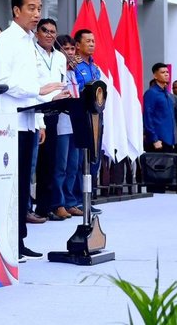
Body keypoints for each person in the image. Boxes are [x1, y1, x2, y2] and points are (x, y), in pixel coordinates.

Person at [0, 0, 66, 262]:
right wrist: (39, 89)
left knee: (23, 183)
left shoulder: (29, 42)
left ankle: (19, 239)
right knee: (10, 184)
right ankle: (9, 242)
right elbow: (3, 81)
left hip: (27, 119)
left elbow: (35, 85)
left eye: (39, 8)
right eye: (31, 8)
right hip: (8, 121)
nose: (36, 14)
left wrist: (49, 98)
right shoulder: (7, 40)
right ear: (15, 11)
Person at [32, 19, 72, 221]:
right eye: (45, 31)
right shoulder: (31, 53)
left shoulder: (59, 57)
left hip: (55, 112)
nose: (49, 35)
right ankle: (32, 208)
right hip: (36, 110)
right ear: (37, 33)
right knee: (34, 164)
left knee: (51, 162)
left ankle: (46, 206)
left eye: (52, 31)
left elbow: (62, 82)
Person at [52, 34, 84, 218]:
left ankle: (71, 201)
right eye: (66, 49)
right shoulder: (58, 69)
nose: (70, 52)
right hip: (61, 123)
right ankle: (59, 203)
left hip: (75, 122)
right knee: (61, 166)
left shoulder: (74, 71)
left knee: (74, 165)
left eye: (72, 49)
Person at [73, 28, 103, 214]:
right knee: (79, 161)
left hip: (96, 117)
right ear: (77, 45)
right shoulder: (74, 66)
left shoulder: (95, 67)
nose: (92, 44)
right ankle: (76, 199)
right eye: (88, 41)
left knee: (94, 159)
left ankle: (87, 199)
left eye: (93, 41)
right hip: (81, 117)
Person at [143, 62, 177, 152]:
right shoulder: (151, 93)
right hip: (158, 142)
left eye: (167, 72)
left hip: (169, 141)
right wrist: (154, 139)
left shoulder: (168, 95)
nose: (166, 74)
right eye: (163, 72)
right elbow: (148, 117)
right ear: (155, 76)